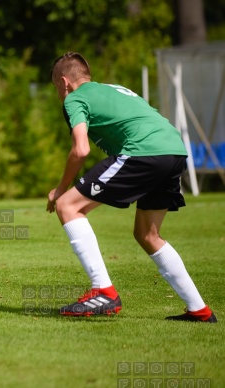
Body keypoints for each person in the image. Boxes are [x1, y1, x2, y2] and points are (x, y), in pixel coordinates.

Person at [46, 52, 217, 322]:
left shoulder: (75, 98)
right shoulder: (114, 89)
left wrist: (59, 189)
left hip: (143, 152)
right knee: (148, 234)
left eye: (57, 87)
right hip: (174, 151)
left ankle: (103, 291)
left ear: (65, 82)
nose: (59, 93)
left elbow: (80, 149)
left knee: (67, 205)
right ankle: (199, 309)